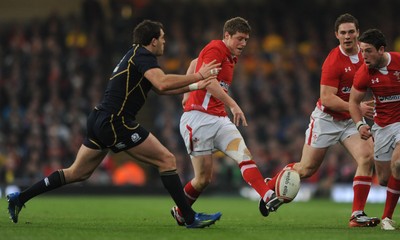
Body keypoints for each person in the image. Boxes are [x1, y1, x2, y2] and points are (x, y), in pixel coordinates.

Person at [6, 19, 223, 229]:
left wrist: (196, 85)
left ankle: (19, 197)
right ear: (153, 40)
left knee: (77, 173)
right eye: (163, 38)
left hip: (100, 118)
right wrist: (198, 74)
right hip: (115, 121)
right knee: (167, 159)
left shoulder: (134, 56)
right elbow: (163, 82)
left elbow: (159, 89)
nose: (165, 42)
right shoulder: (143, 55)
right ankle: (188, 216)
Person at [260, 13, 380, 227]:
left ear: (358, 33)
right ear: (336, 35)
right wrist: (357, 108)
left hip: (350, 121)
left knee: (367, 156)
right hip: (327, 119)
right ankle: (271, 186)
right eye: (343, 32)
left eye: (351, 32)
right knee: (307, 169)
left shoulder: (366, 55)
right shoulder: (333, 61)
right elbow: (327, 98)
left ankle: (357, 215)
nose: (347, 36)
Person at [170, 17, 276, 226]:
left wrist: (185, 91)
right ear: (226, 36)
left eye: (246, 39)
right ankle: (181, 211)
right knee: (203, 179)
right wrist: (233, 104)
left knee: (244, 155)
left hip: (219, 119)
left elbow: (194, 62)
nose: (243, 44)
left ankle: (267, 195)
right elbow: (208, 82)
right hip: (198, 118)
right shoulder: (216, 48)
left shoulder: (230, 56)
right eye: (239, 39)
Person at [349, 28, 400, 230]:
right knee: (385, 179)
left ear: (381, 50)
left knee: (398, 164)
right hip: (382, 126)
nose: (364, 56)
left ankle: (387, 217)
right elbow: (353, 102)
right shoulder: (364, 72)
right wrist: (360, 124)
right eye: (361, 51)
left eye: (368, 51)